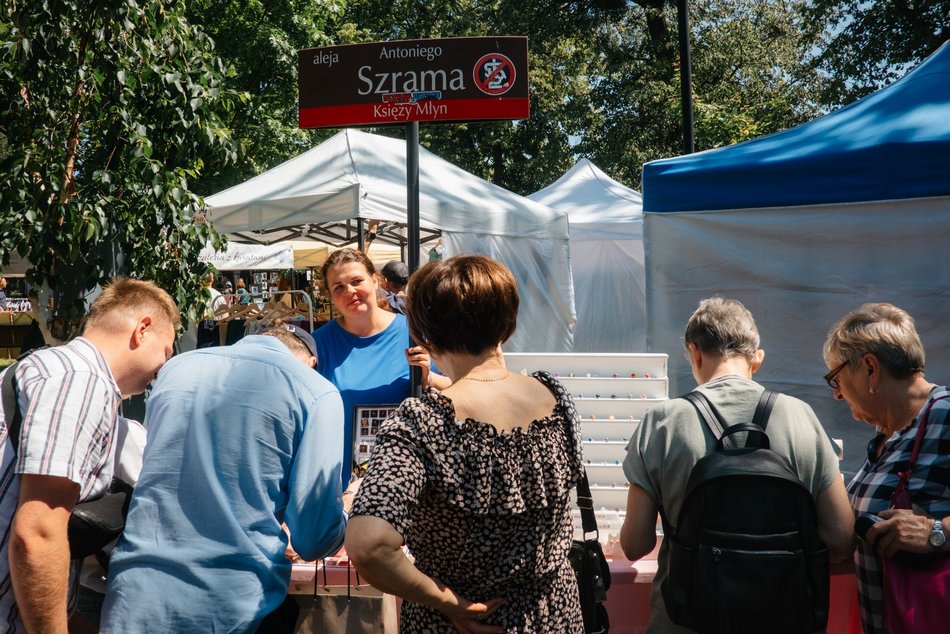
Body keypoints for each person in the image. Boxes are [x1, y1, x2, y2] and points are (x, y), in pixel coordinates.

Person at [346, 255, 585, 633]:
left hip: (463, 621)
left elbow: (369, 545)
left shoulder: (422, 422)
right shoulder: (554, 395)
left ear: (424, 332)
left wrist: (447, 602)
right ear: (507, 320)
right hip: (554, 613)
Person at [620, 297, 854, 633]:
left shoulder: (661, 423)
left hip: (685, 622)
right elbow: (841, 539)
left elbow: (635, 544)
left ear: (694, 353)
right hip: (782, 620)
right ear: (757, 359)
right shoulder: (801, 417)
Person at [100, 324, 348, 633]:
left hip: (135, 592)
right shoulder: (315, 390)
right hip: (232, 604)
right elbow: (315, 538)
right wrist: (346, 520)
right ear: (312, 361)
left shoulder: (177, 368)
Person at [0, 277, 179, 634]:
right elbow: (37, 531)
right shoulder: (81, 380)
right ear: (142, 329)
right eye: (167, 351)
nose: (163, 368)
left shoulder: (55, 369)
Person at [823, 302, 950, 634]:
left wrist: (938, 533)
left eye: (836, 377)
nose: (836, 394)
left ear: (870, 368)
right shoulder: (887, 436)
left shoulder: (945, 416)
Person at [312, 249, 451, 485]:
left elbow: (456, 388)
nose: (350, 292)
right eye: (339, 287)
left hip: (410, 477)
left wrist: (429, 379)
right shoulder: (317, 345)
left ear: (375, 281)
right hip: (340, 482)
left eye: (357, 281)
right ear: (330, 295)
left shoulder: (413, 333)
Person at [195, 271, 226, 348]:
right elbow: (225, 316)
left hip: (198, 335)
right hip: (216, 336)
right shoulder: (219, 296)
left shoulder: (196, 295)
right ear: (212, 280)